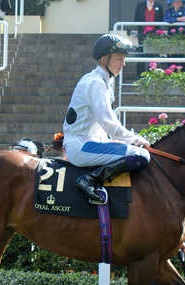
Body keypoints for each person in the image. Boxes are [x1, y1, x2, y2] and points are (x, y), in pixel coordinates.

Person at [62, 34, 150, 204]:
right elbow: (108, 123)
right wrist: (136, 139)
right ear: (104, 59)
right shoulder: (95, 83)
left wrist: (115, 141)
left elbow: (99, 125)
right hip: (81, 146)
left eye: (124, 59)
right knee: (141, 155)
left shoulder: (101, 81)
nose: (123, 64)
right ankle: (90, 180)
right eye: (119, 59)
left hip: (86, 142)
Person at [133, 0, 163, 77]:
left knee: (152, 54)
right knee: (141, 53)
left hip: (154, 33)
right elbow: (136, 18)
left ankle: (152, 74)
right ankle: (140, 74)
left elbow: (160, 18)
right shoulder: (140, 5)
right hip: (143, 32)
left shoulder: (159, 5)